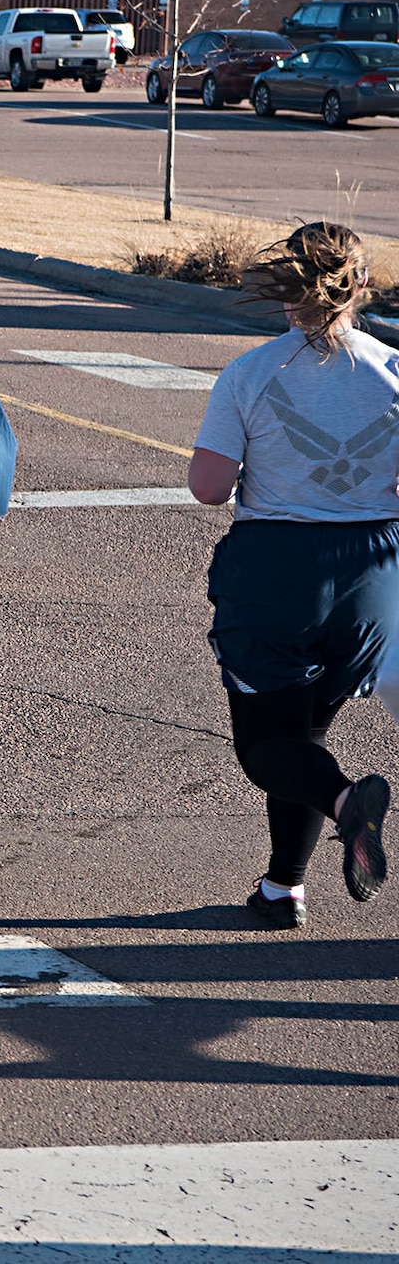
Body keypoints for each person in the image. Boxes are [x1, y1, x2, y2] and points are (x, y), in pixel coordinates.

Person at [191, 223, 394, 927]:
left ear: (288, 294)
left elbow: (209, 486)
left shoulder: (252, 372)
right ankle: (283, 888)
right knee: (304, 735)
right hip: (372, 573)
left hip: (279, 570)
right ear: (360, 287)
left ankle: (347, 802)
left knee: (265, 746)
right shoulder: (395, 371)